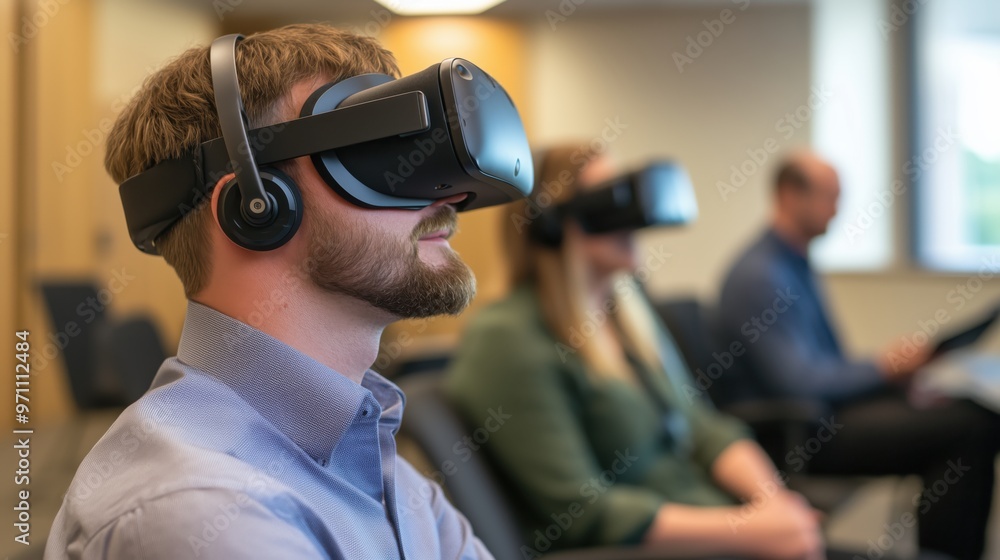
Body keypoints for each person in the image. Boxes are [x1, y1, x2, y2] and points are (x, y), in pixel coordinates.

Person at [46, 24, 496, 559]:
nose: (451, 195)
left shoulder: (373, 455)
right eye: (375, 157)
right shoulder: (205, 515)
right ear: (257, 207)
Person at [446, 145, 827, 559]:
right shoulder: (508, 336)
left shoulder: (628, 316)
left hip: (716, 526)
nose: (636, 219)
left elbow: (702, 428)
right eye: (614, 200)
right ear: (551, 225)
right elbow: (582, 509)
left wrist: (772, 504)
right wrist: (747, 531)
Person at [714, 150, 999, 560]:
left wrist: (894, 380)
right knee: (969, 428)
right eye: (829, 197)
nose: (836, 211)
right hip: (802, 433)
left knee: (966, 411)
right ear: (789, 195)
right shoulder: (760, 275)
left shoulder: (793, 263)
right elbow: (797, 382)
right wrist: (882, 368)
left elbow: (825, 365)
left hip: (826, 415)